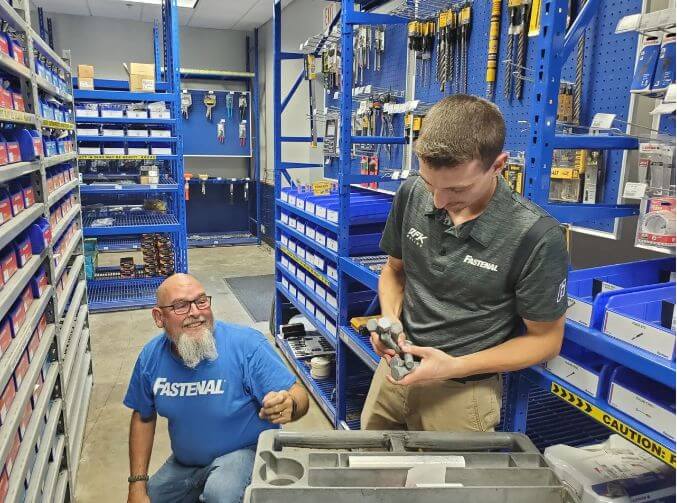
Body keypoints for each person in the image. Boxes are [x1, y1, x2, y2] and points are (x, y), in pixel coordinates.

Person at [362, 94, 569, 432]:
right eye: (431, 185)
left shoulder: (537, 237)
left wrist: (453, 367)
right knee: (367, 470)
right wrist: (388, 319)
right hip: (394, 371)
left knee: (446, 485)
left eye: (457, 189)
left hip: (462, 393)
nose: (440, 201)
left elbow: (545, 341)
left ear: (498, 166)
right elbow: (394, 272)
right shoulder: (411, 194)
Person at [124, 273, 309, 503]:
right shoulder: (151, 357)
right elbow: (143, 416)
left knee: (221, 493)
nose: (195, 312)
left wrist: (289, 404)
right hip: (186, 464)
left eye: (201, 301)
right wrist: (137, 485)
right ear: (159, 317)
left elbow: (299, 395)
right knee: (149, 498)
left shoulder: (246, 345)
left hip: (246, 454)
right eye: (181, 306)